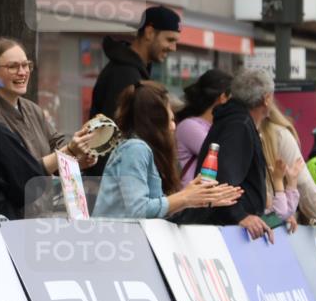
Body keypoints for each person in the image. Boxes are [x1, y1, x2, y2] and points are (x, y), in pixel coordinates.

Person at [92, 81, 241, 219]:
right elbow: (138, 210)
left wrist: (195, 198)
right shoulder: (135, 149)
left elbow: (152, 209)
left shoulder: (141, 149)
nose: (173, 127)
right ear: (155, 122)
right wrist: (185, 197)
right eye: (169, 120)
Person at [176, 68, 276, 241]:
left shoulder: (236, 121)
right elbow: (221, 178)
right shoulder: (238, 125)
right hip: (225, 230)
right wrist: (241, 216)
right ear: (266, 99)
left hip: (225, 227)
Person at [0, 38, 96, 164]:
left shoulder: (32, 109)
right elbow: (21, 170)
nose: (22, 72)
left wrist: (80, 155)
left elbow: (57, 143)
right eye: (12, 66)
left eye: (25, 65)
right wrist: (70, 151)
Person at [258, 101, 316, 236]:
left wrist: (289, 185)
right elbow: (282, 211)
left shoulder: (276, 135)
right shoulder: (279, 135)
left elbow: (282, 212)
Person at [90, 6, 181, 122]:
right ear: (149, 33)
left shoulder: (134, 70)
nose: (173, 48)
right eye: (170, 40)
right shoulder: (125, 74)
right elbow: (114, 131)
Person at [175, 69, 232, 187]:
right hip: (190, 201)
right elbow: (223, 156)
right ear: (223, 98)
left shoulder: (215, 126)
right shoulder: (189, 126)